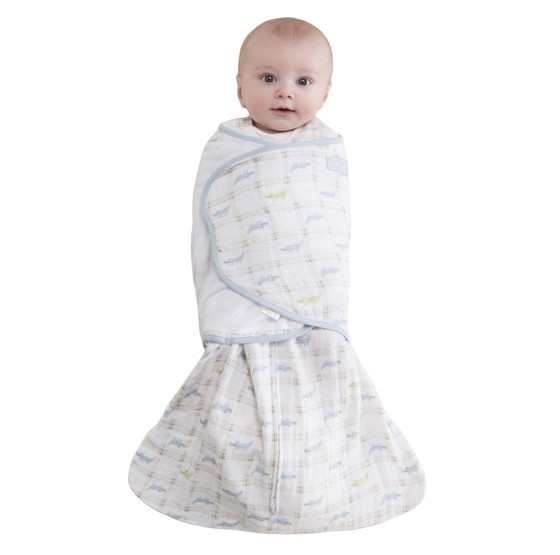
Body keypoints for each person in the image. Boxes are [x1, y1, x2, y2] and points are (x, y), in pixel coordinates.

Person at [128, 16, 425, 533]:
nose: (285, 91)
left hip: (313, 306)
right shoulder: (227, 148)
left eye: (303, 81)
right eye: (268, 78)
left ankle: (329, 489)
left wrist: (315, 294)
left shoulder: (326, 150)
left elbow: (329, 226)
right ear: (240, 88)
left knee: (324, 398)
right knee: (235, 403)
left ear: (326, 92)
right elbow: (216, 223)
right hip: (244, 306)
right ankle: (225, 487)